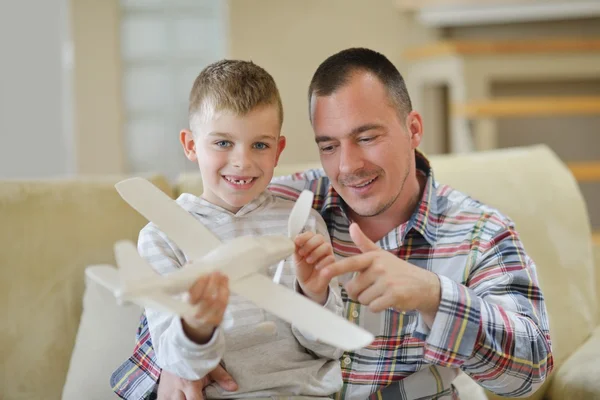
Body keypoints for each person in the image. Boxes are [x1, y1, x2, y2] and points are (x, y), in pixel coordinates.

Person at [114, 48, 554, 399]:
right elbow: (191, 265)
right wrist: (170, 368)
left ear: (414, 128)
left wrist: (432, 295)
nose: (348, 166)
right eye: (329, 146)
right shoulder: (290, 203)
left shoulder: (479, 232)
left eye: (367, 137)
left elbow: (530, 370)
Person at [110, 59, 346, 399]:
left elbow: (330, 348)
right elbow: (176, 364)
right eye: (223, 143)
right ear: (190, 145)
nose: (242, 161)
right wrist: (197, 326)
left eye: (260, 145)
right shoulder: (161, 236)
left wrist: (313, 295)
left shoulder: (305, 224)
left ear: (278, 150)